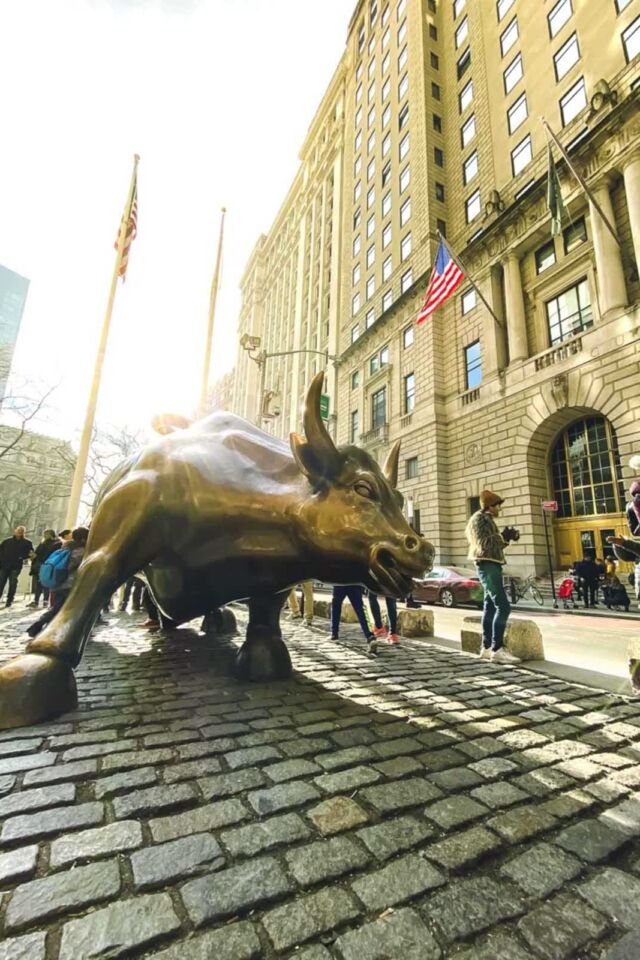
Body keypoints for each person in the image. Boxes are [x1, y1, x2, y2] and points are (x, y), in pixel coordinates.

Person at [465, 490, 520, 664]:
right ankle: (497, 649)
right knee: (503, 607)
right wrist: (504, 536)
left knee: (489, 607)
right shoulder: (481, 519)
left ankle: (487, 647)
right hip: (487, 565)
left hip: (490, 564)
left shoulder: (485, 519)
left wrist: (507, 538)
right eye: (498, 506)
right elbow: (485, 544)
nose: (499, 509)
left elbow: (493, 544)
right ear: (490, 506)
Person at [26, 526, 89, 637]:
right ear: (84, 539)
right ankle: (38, 626)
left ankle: (46, 628)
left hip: (58, 582)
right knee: (58, 609)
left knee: (59, 608)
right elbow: (71, 566)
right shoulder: (80, 551)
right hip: (68, 583)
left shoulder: (65, 547)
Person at [330, 584, 378, 655]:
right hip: (355, 583)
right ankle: (370, 636)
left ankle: (334, 634)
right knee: (361, 610)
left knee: (335, 607)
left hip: (340, 582)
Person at [0, 526, 34, 607]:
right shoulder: (7, 541)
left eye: (22, 531)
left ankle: (9, 600)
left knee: (13, 583)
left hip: (16, 566)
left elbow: (31, 553)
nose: (20, 532)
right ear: (15, 531)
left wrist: (22, 557)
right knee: (1, 582)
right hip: (4, 565)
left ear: (24, 532)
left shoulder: (27, 542)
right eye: (18, 530)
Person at [27, 529, 60, 608]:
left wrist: (36, 557)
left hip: (47, 564)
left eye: (46, 534)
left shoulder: (56, 543)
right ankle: (37, 600)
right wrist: (33, 555)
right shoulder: (43, 543)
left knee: (45, 582)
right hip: (40, 564)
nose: (44, 536)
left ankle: (44, 601)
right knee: (39, 583)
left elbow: (50, 554)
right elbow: (37, 553)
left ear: (51, 534)